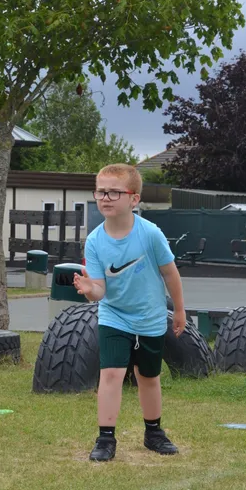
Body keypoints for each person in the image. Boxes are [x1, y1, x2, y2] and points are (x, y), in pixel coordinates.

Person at [73, 163, 186, 462]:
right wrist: (89, 289)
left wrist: (180, 311)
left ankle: (154, 433)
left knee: (148, 376)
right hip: (114, 316)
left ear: (133, 199)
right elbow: (100, 291)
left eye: (114, 192)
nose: (105, 198)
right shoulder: (96, 240)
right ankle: (105, 439)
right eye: (100, 191)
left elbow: (170, 274)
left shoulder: (150, 234)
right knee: (111, 374)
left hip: (149, 317)